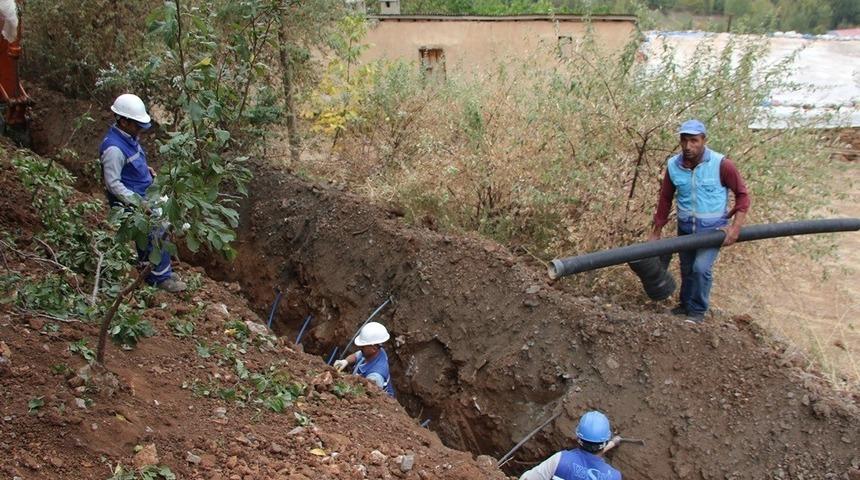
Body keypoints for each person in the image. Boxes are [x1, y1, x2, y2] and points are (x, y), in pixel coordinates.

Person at [648, 119, 750, 323]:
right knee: (686, 268)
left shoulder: (722, 164)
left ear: (703, 140)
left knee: (701, 268)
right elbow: (665, 199)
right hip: (686, 228)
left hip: (712, 231)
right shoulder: (673, 166)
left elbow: (742, 195)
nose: (688, 146)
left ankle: (697, 312)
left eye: (693, 141)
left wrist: (735, 228)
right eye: (684, 140)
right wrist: (656, 232)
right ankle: (684, 306)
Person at [100, 93, 186, 293]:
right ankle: (159, 279)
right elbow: (113, 184)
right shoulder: (113, 149)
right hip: (134, 200)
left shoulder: (129, 138)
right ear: (123, 121)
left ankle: (159, 270)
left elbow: (132, 163)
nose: (139, 129)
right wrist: (138, 203)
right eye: (136, 125)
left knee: (164, 226)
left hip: (145, 193)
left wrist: (147, 171)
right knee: (154, 232)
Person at [519, 411, 622, 480]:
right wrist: (612, 443)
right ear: (605, 440)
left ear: (578, 438)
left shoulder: (561, 460)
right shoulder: (613, 476)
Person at [333, 321, 395, 398]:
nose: (360, 348)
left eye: (363, 346)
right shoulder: (375, 352)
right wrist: (345, 361)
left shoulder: (375, 377)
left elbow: (364, 395)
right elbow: (356, 356)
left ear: (374, 348)